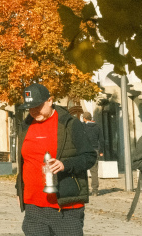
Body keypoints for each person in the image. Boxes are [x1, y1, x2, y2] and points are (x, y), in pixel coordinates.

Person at [16, 83, 96, 236]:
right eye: (29, 108)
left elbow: (89, 156)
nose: (33, 111)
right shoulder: (25, 126)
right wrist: (18, 189)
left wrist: (65, 164)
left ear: (50, 100)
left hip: (65, 207)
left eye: (37, 106)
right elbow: (24, 161)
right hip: (33, 207)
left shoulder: (70, 124)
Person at [81, 111, 104, 195]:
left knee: (83, 171)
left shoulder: (82, 126)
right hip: (94, 150)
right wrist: (101, 151)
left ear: (84, 118)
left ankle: (85, 190)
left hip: (84, 150)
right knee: (94, 171)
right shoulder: (97, 127)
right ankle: (95, 190)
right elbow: (101, 140)